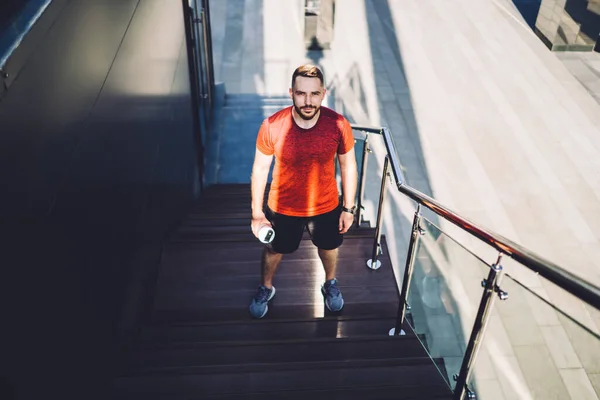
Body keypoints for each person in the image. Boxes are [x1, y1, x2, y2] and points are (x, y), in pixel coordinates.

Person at [249, 64, 358, 319]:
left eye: (314, 94)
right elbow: (260, 169)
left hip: (327, 206)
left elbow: (349, 166)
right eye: (301, 94)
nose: (308, 101)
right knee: (274, 249)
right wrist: (257, 214)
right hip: (283, 207)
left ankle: (329, 283)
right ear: (291, 93)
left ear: (323, 93)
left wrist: (349, 208)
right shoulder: (273, 125)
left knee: (329, 247)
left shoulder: (338, 125)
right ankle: (266, 287)